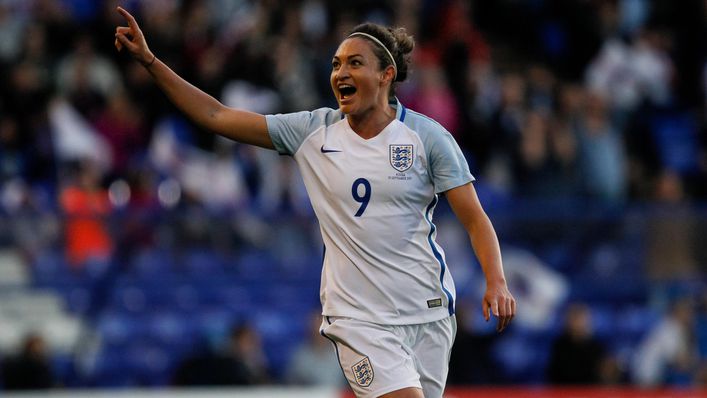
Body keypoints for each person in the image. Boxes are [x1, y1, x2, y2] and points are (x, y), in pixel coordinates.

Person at [114, 7, 516, 397]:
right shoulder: (312, 132)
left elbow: (476, 219)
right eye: (336, 64)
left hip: (428, 312)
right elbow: (217, 116)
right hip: (358, 319)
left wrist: (496, 280)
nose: (341, 72)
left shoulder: (428, 139)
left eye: (355, 63)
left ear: (386, 75)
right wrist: (150, 61)